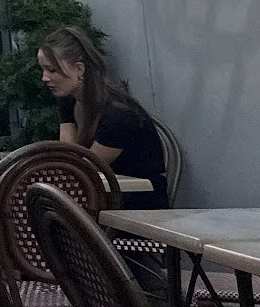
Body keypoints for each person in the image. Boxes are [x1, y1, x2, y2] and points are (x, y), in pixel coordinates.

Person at [40, 26, 169, 208]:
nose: (44, 78)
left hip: (137, 209)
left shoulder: (118, 116)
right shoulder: (69, 101)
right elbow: (68, 159)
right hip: (101, 200)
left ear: (79, 69)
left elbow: (82, 171)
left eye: (51, 70)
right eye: (43, 70)